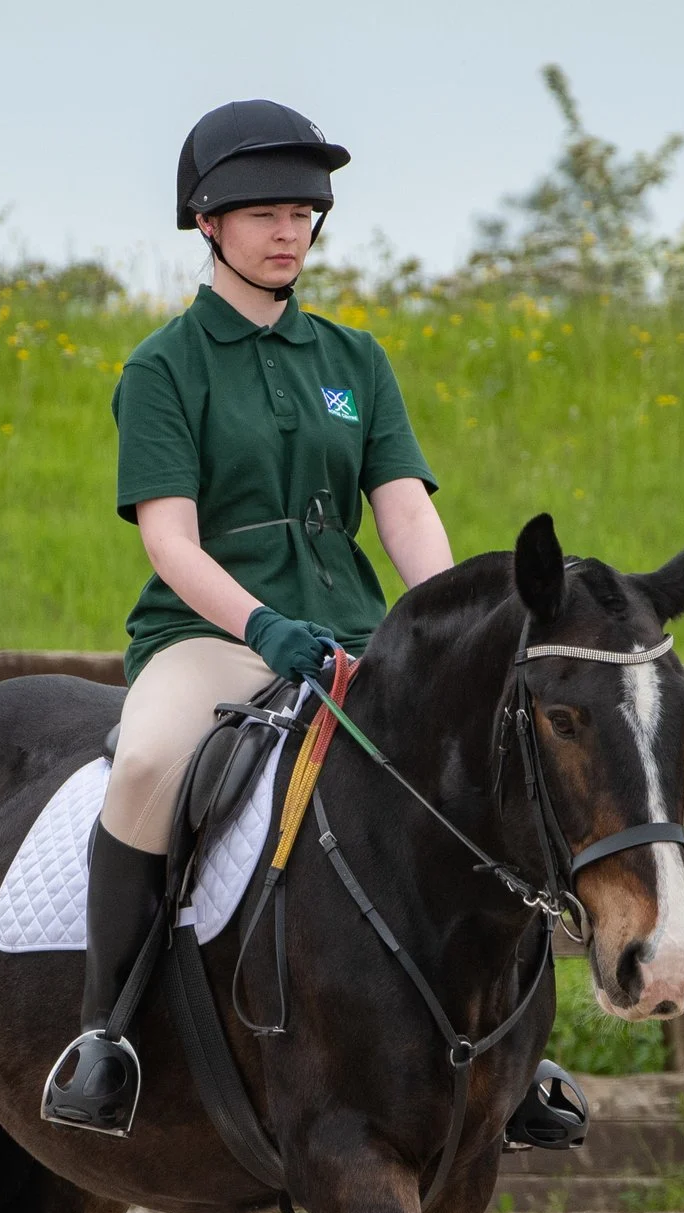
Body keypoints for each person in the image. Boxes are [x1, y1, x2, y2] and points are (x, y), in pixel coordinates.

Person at [42, 98, 455, 1134]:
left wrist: (443, 620)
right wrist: (263, 625)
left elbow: (402, 508)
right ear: (207, 224)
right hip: (212, 638)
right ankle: (107, 1035)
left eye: (304, 213)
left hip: (354, 633)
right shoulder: (163, 367)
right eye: (265, 212)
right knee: (143, 765)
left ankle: (510, 1046)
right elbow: (171, 541)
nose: (289, 232)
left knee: (482, 764)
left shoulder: (355, 362)